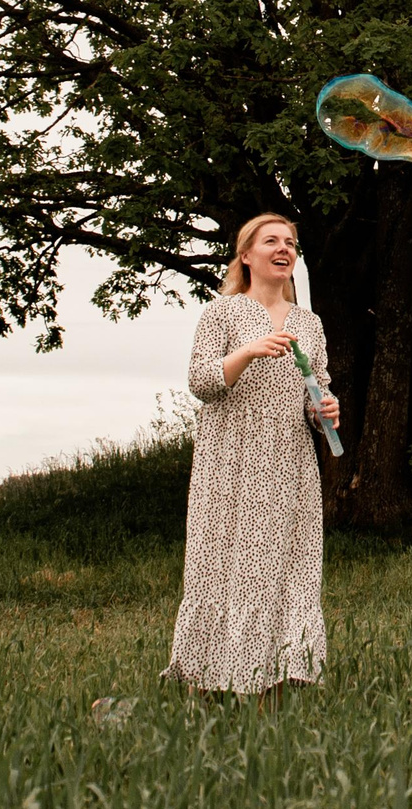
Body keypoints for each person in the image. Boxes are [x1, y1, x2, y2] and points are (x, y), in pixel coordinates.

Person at [165, 212, 339, 699]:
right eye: (271, 241)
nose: (283, 248)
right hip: (232, 465)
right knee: (226, 568)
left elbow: (315, 393)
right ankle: (214, 681)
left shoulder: (310, 322)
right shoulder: (221, 312)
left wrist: (325, 407)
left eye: (290, 242)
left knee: (291, 570)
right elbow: (201, 382)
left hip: (290, 466)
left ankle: (281, 680)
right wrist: (247, 352)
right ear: (246, 255)